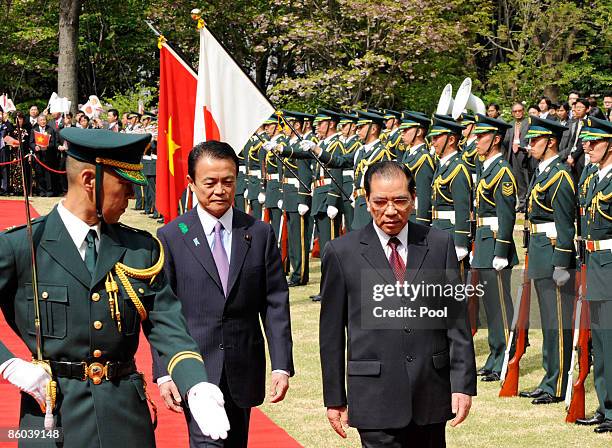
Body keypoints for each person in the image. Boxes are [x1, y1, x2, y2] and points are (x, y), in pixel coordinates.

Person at [0, 128, 230, 447]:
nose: (132, 197)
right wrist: (8, 364)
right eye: (123, 185)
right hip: (50, 420)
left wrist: (196, 384)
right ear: (89, 181)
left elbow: (168, 326)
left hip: (125, 419)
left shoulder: (140, 250)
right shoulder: (23, 246)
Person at [319, 160, 476, 448]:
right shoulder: (342, 252)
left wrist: (463, 385)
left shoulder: (439, 245)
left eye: (400, 200)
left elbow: (456, 322)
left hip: (430, 394)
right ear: (366, 201)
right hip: (373, 397)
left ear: (414, 199)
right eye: (380, 201)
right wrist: (334, 398)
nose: (390, 210)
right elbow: (330, 335)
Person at [153, 140, 294, 448]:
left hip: (243, 366)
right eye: (210, 182)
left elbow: (275, 303)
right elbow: (162, 312)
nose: (219, 190)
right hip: (194, 368)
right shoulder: (172, 236)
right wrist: (164, 373)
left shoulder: (258, 233)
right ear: (191, 183)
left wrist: (281, 364)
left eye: (227, 182)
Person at [519, 115, 575, 405]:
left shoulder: (560, 176)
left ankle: (558, 384)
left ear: (550, 141)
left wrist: (562, 263)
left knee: (558, 325)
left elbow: (566, 225)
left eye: (535, 140)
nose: (530, 146)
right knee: (548, 324)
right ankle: (548, 378)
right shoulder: (543, 172)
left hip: (553, 254)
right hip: (540, 251)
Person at [470, 114, 517, 382]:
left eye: (482, 137)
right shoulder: (486, 168)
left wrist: (501, 251)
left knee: (500, 306)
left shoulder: (502, 172)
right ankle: (494, 356)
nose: (477, 141)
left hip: (496, 245)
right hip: (485, 242)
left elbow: (507, 215)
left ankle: (505, 358)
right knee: (490, 308)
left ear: (496, 139)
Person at [577, 116, 612, 433]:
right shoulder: (594, 178)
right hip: (595, 263)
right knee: (599, 343)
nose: (587, 146)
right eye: (586, 141)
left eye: (595, 142)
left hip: (610, 265)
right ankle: (605, 406)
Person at [428, 116, 472, 273]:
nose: (433, 142)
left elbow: (462, 208)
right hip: (440, 230)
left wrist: (460, 243)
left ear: (451, 139)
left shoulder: (458, 168)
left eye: (436, 138)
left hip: (452, 233)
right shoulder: (443, 165)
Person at [398, 111, 434, 225]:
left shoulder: (423, 158)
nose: (402, 134)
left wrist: (422, 223)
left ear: (418, 132)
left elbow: (424, 195)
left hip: (415, 215)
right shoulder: (408, 154)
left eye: (406, 130)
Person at [503, 102, 531, 212]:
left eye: (520, 110)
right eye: (515, 111)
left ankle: (526, 203)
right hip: (513, 154)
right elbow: (506, 141)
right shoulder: (510, 124)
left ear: (523, 111)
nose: (518, 113)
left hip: (524, 153)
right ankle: (520, 203)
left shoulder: (528, 123)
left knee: (525, 179)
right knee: (517, 179)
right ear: (512, 113)